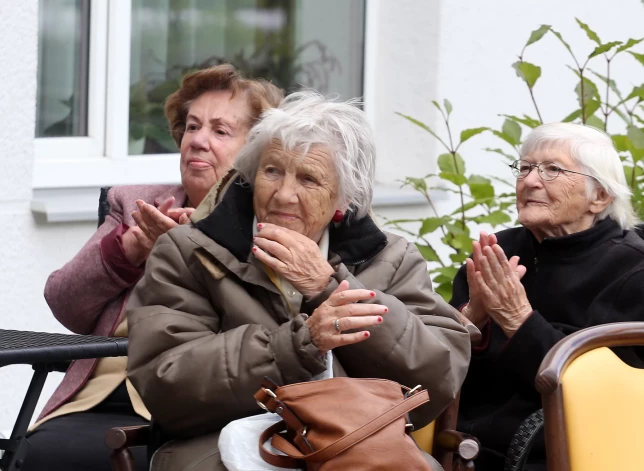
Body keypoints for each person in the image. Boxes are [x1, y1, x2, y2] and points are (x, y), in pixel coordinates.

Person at [125, 91, 472, 471]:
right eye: (272, 171)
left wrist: (328, 287)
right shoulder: (190, 251)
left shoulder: (391, 259)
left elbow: (434, 383)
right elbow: (166, 386)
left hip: (357, 444)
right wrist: (296, 347)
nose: (284, 194)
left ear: (343, 199)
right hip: (218, 443)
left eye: (308, 178)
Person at [24, 64, 283, 471]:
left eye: (219, 131)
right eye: (192, 127)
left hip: (189, 407)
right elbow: (64, 303)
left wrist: (196, 252)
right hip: (98, 393)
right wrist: (132, 247)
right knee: (43, 452)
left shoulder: (266, 223)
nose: (197, 141)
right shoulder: (135, 205)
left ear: (256, 150)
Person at [451, 122, 644, 470]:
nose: (531, 181)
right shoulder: (499, 251)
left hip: (556, 452)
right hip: (462, 443)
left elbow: (609, 397)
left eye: (552, 170)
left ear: (600, 197)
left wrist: (519, 321)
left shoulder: (635, 272)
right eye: (526, 167)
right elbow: (439, 361)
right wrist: (474, 316)